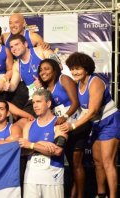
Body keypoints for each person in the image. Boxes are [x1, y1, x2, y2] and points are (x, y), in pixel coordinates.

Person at [61, 52, 120, 198]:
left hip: (109, 121)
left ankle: (113, 196)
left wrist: (73, 126)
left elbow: (93, 111)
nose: (74, 72)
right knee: (98, 161)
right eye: (72, 69)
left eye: (78, 68)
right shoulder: (79, 83)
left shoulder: (96, 82)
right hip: (96, 124)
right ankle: (101, 194)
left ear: (86, 69)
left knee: (107, 161)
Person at [38, 58, 92, 198]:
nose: (43, 72)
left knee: (76, 163)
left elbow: (76, 102)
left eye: (47, 69)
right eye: (41, 70)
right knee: (71, 166)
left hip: (78, 124)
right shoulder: (45, 89)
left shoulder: (64, 79)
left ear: (55, 70)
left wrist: (66, 116)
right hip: (64, 129)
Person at [19, 89, 68, 198]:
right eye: (33, 103)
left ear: (49, 103)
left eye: (39, 102)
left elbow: (57, 150)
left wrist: (32, 145)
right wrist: (41, 144)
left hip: (52, 178)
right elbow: (23, 150)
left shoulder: (59, 124)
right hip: (31, 178)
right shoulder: (28, 125)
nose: (35, 106)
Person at [8, 34, 55, 115]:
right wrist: (6, 86)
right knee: (25, 121)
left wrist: (43, 81)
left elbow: (58, 66)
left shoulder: (41, 50)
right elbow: (12, 86)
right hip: (34, 98)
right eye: (11, 47)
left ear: (25, 44)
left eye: (16, 44)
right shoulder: (16, 65)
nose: (14, 48)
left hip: (51, 92)